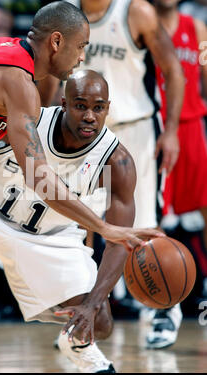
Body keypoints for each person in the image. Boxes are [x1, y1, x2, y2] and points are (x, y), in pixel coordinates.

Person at [0, 1, 163, 373]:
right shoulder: (18, 83)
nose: (82, 56)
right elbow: (40, 178)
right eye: (81, 46)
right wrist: (104, 227)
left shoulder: (7, 52)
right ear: (57, 42)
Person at [0, 70, 141, 373]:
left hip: (49, 238)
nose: (89, 116)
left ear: (108, 109)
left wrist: (92, 303)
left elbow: (118, 240)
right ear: (63, 103)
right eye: (80, 105)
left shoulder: (116, 162)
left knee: (100, 322)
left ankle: (75, 342)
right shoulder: (29, 121)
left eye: (98, 108)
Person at [37, 0, 185, 349]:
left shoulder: (136, 11)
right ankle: (82, 316)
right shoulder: (64, 13)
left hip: (133, 130)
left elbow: (173, 69)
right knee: (76, 227)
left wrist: (173, 128)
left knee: (144, 226)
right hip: (78, 132)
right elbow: (47, 77)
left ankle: (163, 311)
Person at [149, 0, 207, 349]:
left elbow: (205, 73)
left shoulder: (196, 28)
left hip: (191, 127)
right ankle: (160, 303)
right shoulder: (141, 21)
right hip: (154, 127)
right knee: (153, 215)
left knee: (205, 205)